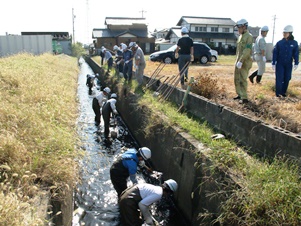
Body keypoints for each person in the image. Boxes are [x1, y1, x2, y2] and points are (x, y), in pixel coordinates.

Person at [272, 25, 299, 98]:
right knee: (279, 78)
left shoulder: (294, 43)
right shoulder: (279, 43)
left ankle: (283, 92)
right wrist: (273, 62)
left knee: (287, 78)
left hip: (288, 63)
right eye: (283, 33)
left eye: (286, 33)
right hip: (280, 63)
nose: (284, 34)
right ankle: (278, 94)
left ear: (290, 33)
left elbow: (296, 53)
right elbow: (275, 53)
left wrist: (296, 62)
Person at [233, 19, 253, 104]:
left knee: (242, 79)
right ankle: (239, 94)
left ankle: (244, 98)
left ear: (244, 27)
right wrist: (238, 60)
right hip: (238, 61)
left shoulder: (249, 36)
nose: (238, 29)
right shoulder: (240, 36)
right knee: (236, 78)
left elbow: (247, 50)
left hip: (244, 62)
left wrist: (241, 61)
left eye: (239, 27)